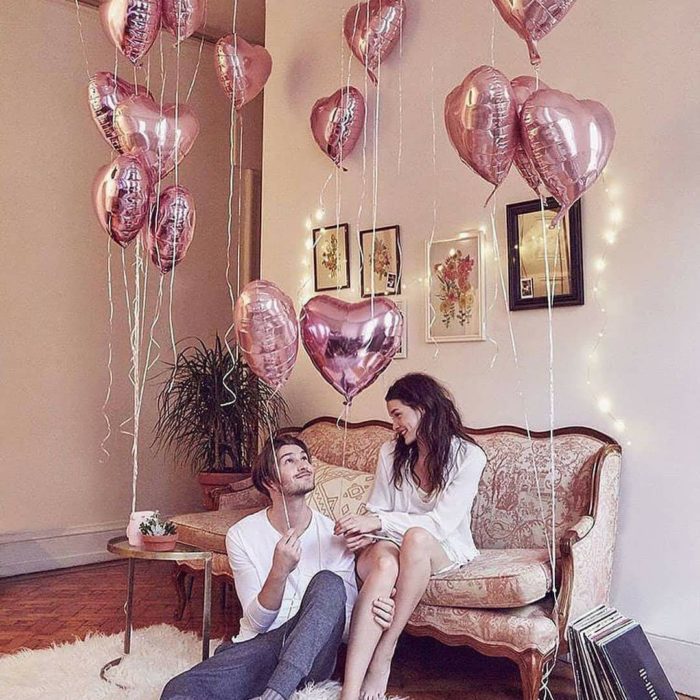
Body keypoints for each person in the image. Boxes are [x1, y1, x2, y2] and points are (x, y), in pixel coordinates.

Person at [161, 436, 395, 700]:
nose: (303, 464)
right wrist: (279, 572)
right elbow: (258, 623)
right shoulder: (241, 535)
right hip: (263, 647)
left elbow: (340, 622)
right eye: (290, 460)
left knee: (329, 583)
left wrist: (377, 615)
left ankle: (276, 692)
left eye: (305, 458)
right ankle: (268, 685)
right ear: (269, 481)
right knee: (177, 691)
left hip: (313, 659)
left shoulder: (335, 533)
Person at [335, 373, 487, 700]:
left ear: (423, 409)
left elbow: (440, 524)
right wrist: (364, 530)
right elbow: (377, 508)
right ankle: (349, 692)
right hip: (390, 543)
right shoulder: (390, 453)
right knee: (384, 568)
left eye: (398, 414)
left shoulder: (469, 457)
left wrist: (376, 523)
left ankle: (385, 652)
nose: (394, 424)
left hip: (439, 547)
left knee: (416, 537)